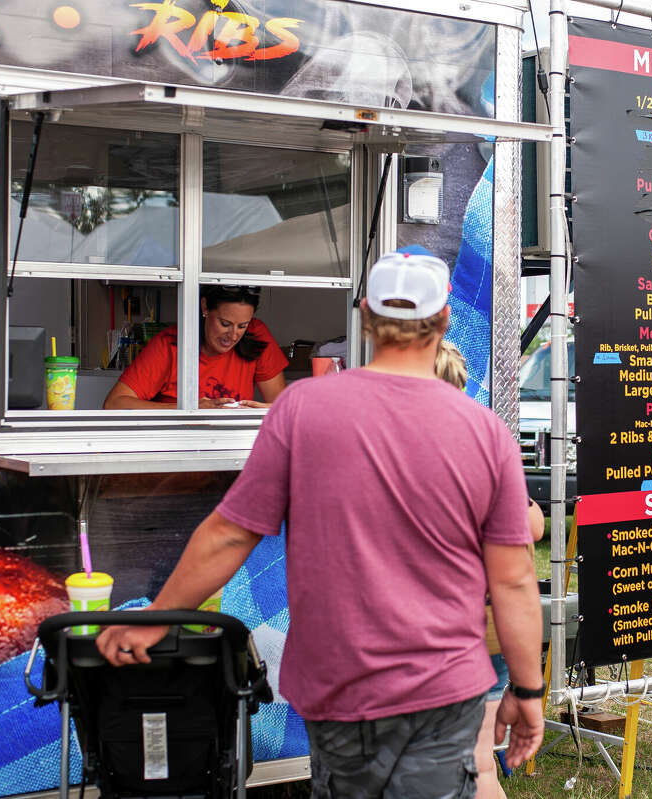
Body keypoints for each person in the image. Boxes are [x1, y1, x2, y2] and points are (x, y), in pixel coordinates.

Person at [97, 247, 545, 798]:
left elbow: (231, 532)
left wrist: (158, 617)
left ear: (364, 315)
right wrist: (527, 688)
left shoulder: (301, 408)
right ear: (445, 318)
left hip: (339, 686)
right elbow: (515, 577)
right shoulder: (485, 431)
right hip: (441, 686)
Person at [435, 339, 546, 799]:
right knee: (479, 765)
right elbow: (533, 523)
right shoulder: (480, 445)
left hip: (439, 636)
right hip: (486, 627)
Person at [103, 285, 288, 409]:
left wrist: (262, 412)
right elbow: (114, 403)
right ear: (205, 307)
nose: (233, 336)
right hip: (176, 449)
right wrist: (190, 409)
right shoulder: (169, 344)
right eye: (224, 323)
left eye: (242, 326)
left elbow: (282, 407)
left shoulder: (256, 333)